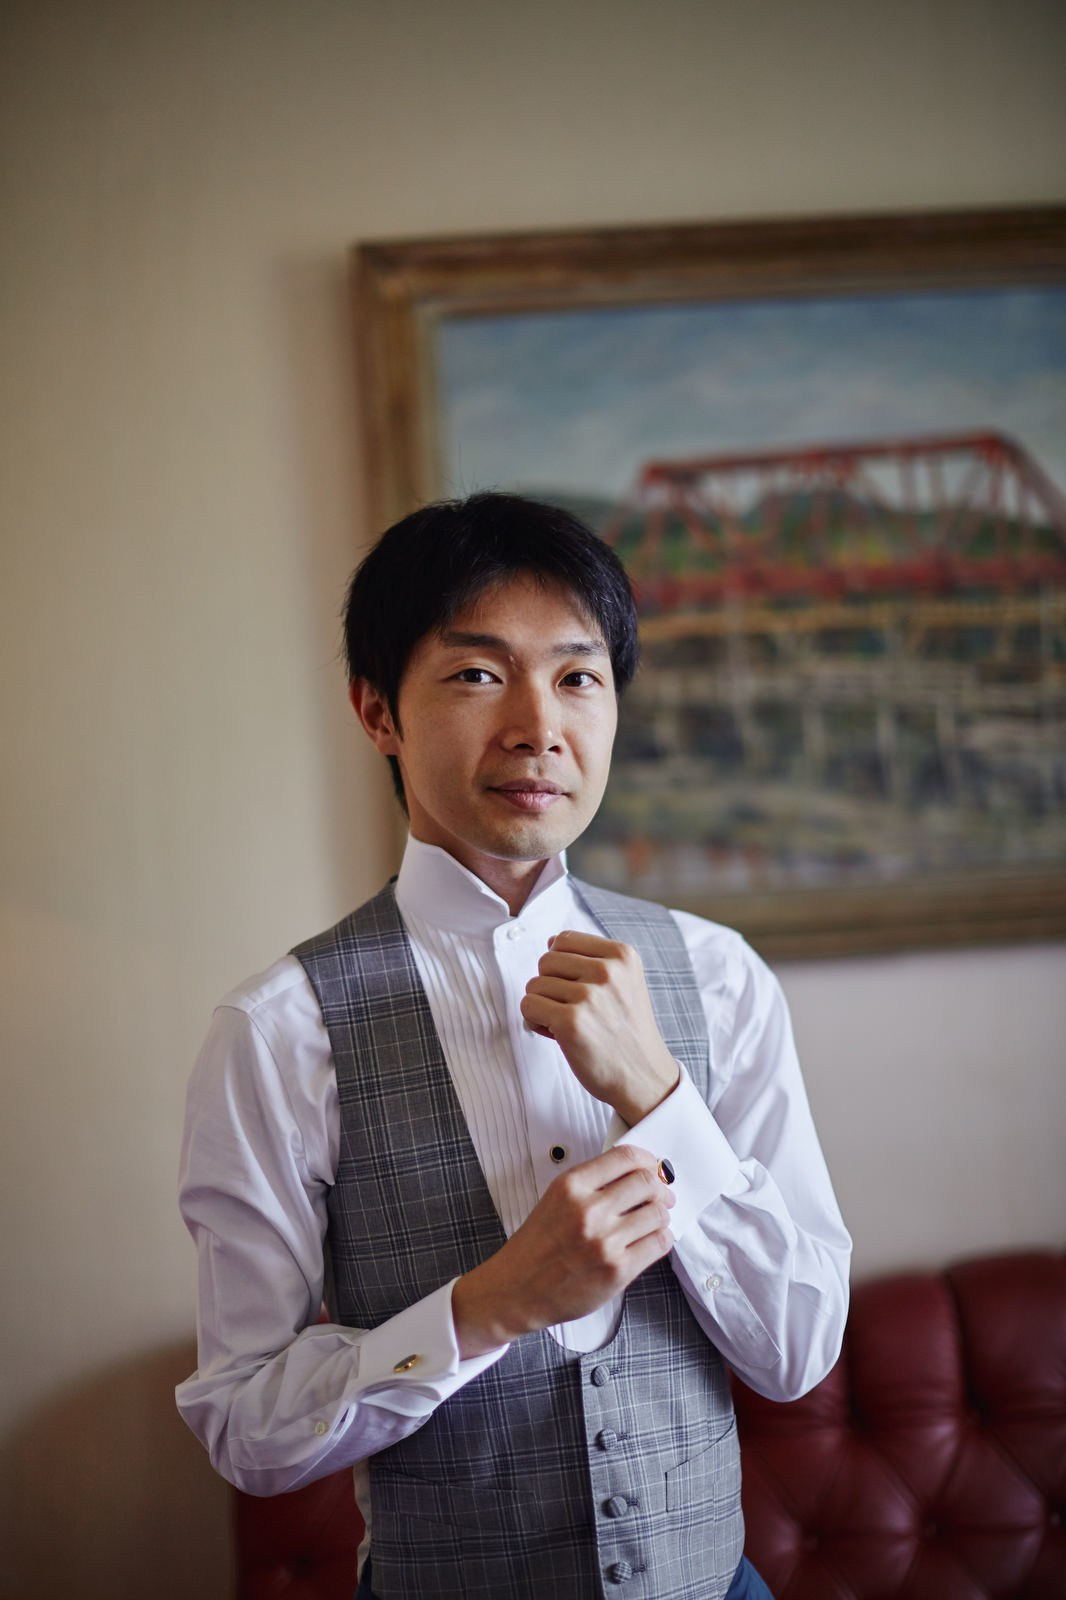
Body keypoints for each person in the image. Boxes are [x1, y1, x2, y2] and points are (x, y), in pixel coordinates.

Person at [177, 492, 851, 1600]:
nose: (539, 724)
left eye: (578, 676)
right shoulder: (278, 1029)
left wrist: (659, 1093)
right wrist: (486, 1306)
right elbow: (244, 1423)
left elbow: (796, 1350)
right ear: (375, 711)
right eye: (478, 673)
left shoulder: (719, 974)